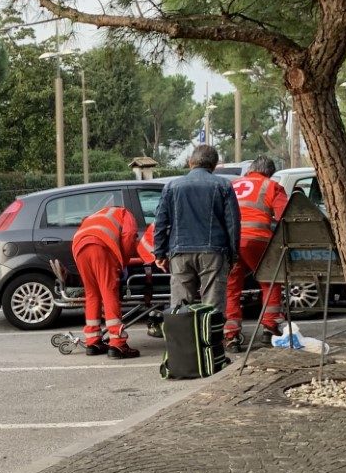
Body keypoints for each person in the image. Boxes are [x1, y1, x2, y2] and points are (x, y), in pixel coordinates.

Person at [153, 145, 241, 312]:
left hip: (179, 253)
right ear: (214, 165)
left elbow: (161, 222)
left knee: (180, 307)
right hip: (214, 253)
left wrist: (159, 252)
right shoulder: (223, 185)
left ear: (190, 162)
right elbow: (233, 223)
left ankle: (184, 337)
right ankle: (210, 337)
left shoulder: (171, 186)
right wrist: (234, 254)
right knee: (212, 307)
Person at [223, 156, 289, 350]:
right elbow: (285, 215)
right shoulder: (272, 186)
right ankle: (269, 327)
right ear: (269, 172)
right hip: (257, 240)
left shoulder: (231, 185)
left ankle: (231, 335)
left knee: (231, 287)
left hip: (230, 242)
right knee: (270, 281)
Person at [72, 206, 140, 358]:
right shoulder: (125, 213)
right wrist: (124, 260)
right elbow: (129, 235)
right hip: (100, 246)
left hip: (78, 247)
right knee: (108, 291)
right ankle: (118, 344)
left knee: (92, 294)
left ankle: (93, 341)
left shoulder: (100, 214)